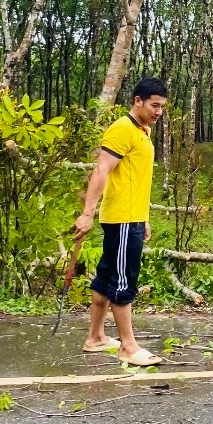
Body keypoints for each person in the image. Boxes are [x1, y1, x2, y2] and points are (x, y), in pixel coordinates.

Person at [73, 77, 168, 366]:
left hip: (132, 218)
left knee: (104, 279)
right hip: (123, 221)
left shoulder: (143, 131)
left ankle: (96, 337)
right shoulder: (122, 129)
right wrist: (88, 212)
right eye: (154, 105)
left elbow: (135, 180)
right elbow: (101, 170)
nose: (158, 111)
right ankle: (128, 346)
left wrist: (145, 218)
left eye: (162, 106)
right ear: (137, 101)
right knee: (123, 280)